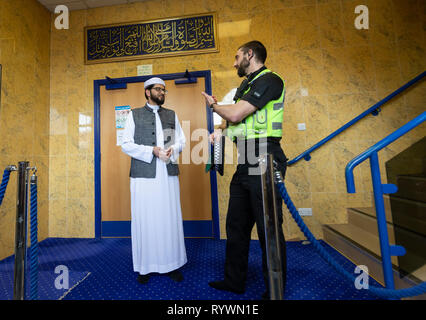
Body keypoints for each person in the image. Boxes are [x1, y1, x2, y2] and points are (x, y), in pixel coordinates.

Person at [201, 41, 288, 299]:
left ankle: (275, 288)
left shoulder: (270, 80)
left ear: (250, 54)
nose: (234, 62)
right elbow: (236, 123)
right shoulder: (245, 85)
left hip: (265, 156)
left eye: (237, 56)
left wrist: (214, 107)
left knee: (268, 227)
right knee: (236, 225)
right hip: (245, 159)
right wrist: (219, 132)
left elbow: (237, 114)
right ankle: (234, 281)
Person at [121, 77, 187, 284]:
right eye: (159, 89)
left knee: (169, 218)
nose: (162, 93)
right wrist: (152, 150)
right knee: (145, 218)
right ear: (147, 92)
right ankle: (145, 266)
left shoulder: (171, 115)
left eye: (164, 90)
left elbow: (182, 141)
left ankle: (172, 264)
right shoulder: (134, 115)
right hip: (143, 176)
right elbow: (126, 144)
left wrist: (172, 149)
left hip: (167, 174)